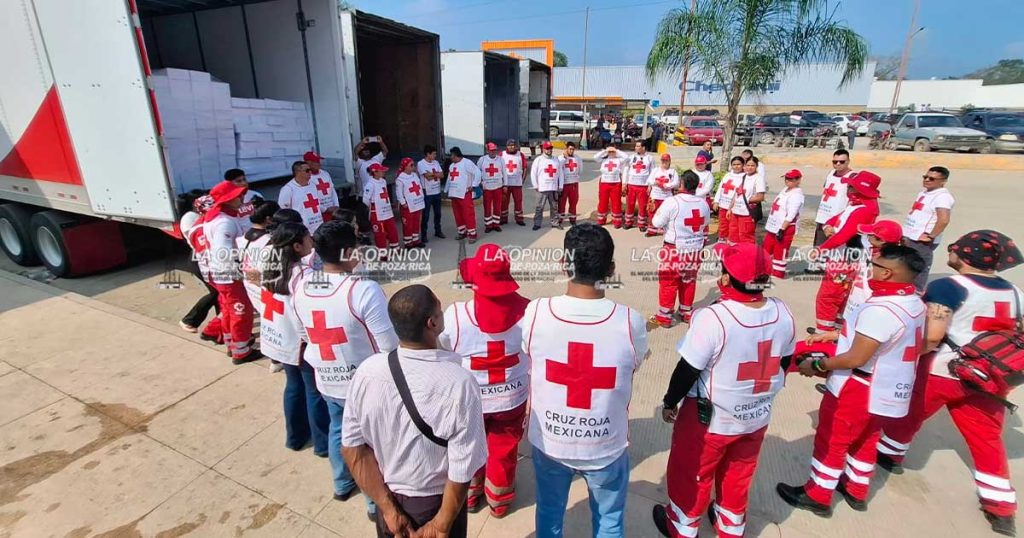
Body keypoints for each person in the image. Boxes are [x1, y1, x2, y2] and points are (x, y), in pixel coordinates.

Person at [876, 231, 1023, 537]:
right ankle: (1001, 507)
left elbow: (932, 336)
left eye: (955, 249)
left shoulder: (948, 287)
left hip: (945, 370)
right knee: (986, 439)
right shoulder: (1016, 292)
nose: (951, 252)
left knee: (910, 413)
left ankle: (890, 454)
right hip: (989, 376)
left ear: (965, 256)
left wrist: (901, 356)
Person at [652, 243, 796, 538]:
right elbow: (784, 361)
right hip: (756, 415)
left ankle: (681, 526)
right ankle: (730, 527)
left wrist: (670, 401)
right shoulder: (783, 312)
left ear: (727, 278)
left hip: (711, 421)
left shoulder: (713, 317)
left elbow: (688, 369)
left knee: (692, 473)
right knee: (738, 473)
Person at [777, 245, 926, 517]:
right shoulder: (914, 301)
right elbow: (883, 338)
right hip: (888, 388)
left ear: (887, 272)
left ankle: (818, 493)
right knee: (866, 439)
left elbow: (856, 357)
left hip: (858, 386)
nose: (869, 268)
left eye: (874, 264)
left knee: (833, 439)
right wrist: (835, 335)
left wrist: (817, 364)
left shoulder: (883, 309)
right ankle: (856, 489)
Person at [521, 223, 649, 537]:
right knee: (609, 522)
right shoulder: (630, 321)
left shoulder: (536, 312)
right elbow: (636, 362)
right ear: (612, 269)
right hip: (605, 444)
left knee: (550, 512)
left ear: (563, 263)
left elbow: (528, 351)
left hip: (551, 440)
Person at [342, 284, 487, 538]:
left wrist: (388, 509)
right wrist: (441, 524)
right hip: (435, 503)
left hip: (385, 496)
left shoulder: (366, 372)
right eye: (441, 312)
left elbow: (353, 449)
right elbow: (462, 467)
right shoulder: (459, 383)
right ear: (432, 323)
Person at [293, 220, 400, 510]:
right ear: (348, 253)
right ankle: (373, 501)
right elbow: (389, 345)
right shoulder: (363, 290)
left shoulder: (302, 285)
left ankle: (341, 482)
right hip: (365, 385)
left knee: (340, 431)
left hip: (327, 378)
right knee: (370, 445)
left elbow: (303, 332)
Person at [439, 244, 530, 518]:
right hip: (513, 398)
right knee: (504, 448)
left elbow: (443, 351)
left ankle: (470, 494)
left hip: (472, 400)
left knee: (470, 447)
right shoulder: (529, 312)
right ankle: (499, 500)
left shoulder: (455, 315)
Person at [260, 221, 331, 456]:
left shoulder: (272, 265)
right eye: (308, 237)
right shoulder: (303, 274)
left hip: (280, 339)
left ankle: (295, 437)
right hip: (300, 343)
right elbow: (307, 313)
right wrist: (312, 343)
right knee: (314, 393)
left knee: (293, 387)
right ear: (298, 246)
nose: (312, 239)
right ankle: (322, 445)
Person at [812, 171, 882, 332]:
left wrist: (821, 249)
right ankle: (835, 327)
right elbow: (836, 218)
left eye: (851, 186)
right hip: (842, 255)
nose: (848, 189)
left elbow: (844, 235)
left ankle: (824, 331)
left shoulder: (864, 209)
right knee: (839, 294)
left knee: (829, 295)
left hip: (845, 259)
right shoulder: (856, 204)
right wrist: (828, 226)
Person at [203, 181, 261, 364]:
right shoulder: (224, 223)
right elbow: (224, 253)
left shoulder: (217, 217)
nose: (242, 197)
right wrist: (243, 272)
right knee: (241, 312)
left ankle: (231, 344)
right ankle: (241, 351)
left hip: (221, 274)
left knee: (228, 310)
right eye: (238, 195)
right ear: (227, 199)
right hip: (229, 275)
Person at [651, 171, 709, 327]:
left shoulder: (672, 201)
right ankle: (685, 311)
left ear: (682, 184)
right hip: (695, 249)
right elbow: (704, 226)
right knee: (689, 280)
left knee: (668, 282)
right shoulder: (703, 203)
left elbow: (656, 223)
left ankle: (664, 316)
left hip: (675, 249)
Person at [902, 166, 955, 291]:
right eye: (925, 177)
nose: (927, 180)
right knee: (907, 266)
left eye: (931, 178)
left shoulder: (942, 197)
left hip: (921, 240)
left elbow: (944, 219)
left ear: (943, 181)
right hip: (911, 235)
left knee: (918, 267)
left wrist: (931, 235)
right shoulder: (925, 192)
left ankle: (916, 292)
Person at [179, 193, 223, 342]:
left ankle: (221, 329)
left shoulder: (201, 219)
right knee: (217, 292)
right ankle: (190, 320)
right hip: (200, 260)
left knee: (220, 294)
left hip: (204, 259)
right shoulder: (192, 220)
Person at [808, 150, 854, 273]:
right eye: (835, 161)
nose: (838, 164)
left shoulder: (852, 176)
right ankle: (817, 266)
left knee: (834, 243)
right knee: (819, 241)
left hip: (837, 216)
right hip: (823, 214)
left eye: (842, 161)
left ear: (848, 161)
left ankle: (832, 268)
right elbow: (827, 189)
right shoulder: (831, 173)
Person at [762, 170, 806, 278]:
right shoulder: (785, 190)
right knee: (767, 247)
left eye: (791, 179)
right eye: (786, 178)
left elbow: (791, 214)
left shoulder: (796, 195)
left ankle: (778, 273)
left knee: (780, 250)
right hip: (773, 226)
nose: (788, 181)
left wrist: (782, 229)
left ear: (798, 180)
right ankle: (765, 268)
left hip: (784, 227)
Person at [726, 156, 766, 244]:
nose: (750, 167)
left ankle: (746, 255)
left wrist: (746, 200)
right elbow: (737, 194)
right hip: (736, 211)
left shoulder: (758, 178)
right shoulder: (744, 176)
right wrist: (730, 208)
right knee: (733, 234)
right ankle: (734, 254)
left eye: (752, 165)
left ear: (756, 166)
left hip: (747, 213)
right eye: (748, 165)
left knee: (745, 236)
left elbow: (760, 197)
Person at [278, 161, 325, 234]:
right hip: (303, 230)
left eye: (310, 170)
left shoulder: (313, 185)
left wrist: (326, 209)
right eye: (307, 170)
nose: (310, 172)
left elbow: (316, 203)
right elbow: (285, 212)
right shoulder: (288, 189)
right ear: (298, 172)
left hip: (319, 226)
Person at [362, 163, 400, 253]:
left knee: (393, 231)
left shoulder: (383, 181)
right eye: (381, 171)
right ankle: (383, 254)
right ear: (375, 172)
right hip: (377, 213)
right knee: (380, 234)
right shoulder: (370, 184)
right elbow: (365, 200)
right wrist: (374, 207)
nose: (383, 172)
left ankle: (395, 248)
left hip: (387, 211)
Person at [447, 147, 481, 243]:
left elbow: (477, 173)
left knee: (468, 214)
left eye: (451, 155)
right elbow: (450, 178)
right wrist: (447, 190)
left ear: (455, 155)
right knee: (458, 215)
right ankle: (462, 232)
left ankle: (472, 234)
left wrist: (474, 185)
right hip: (454, 194)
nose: (450, 157)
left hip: (465, 193)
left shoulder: (467, 163)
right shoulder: (451, 166)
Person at [530, 141, 564, 231]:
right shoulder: (538, 160)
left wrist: (560, 185)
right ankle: (537, 223)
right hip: (542, 188)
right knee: (539, 207)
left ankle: (555, 223)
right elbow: (533, 173)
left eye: (551, 148)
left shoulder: (556, 159)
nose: (550, 150)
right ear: (543, 149)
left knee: (554, 207)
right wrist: (535, 185)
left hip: (553, 188)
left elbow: (560, 173)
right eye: (547, 148)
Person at [474, 142, 507, 233]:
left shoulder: (501, 160)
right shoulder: (482, 159)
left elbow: (504, 173)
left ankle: (496, 224)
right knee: (487, 207)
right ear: (487, 150)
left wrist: (505, 185)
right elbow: (477, 172)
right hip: (487, 187)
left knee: (497, 206)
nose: (493, 152)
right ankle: (488, 225)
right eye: (491, 150)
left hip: (498, 187)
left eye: (495, 150)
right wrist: (479, 182)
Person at [713, 156, 745, 245]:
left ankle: (732, 241)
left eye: (739, 164)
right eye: (734, 164)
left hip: (734, 206)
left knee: (733, 225)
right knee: (723, 223)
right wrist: (716, 201)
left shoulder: (745, 177)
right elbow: (720, 188)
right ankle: (722, 239)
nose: (736, 166)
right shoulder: (728, 175)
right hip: (723, 204)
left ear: (743, 165)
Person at [623, 141, 655, 231]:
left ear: (643, 148)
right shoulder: (631, 157)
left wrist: (650, 185)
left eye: (638, 146)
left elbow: (653, 172)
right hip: (631, 184)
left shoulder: (650, 158)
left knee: (642, 205)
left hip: (643, 185)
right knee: (630, 204)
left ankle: (641, 224)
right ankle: (628, 222)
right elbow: (626, 170)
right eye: (636, 146)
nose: (636, 148)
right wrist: (624, 183)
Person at [646, 153, 680, 237]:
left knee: (666, 214)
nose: (664, 162)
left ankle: (665, 230)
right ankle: (652, 230)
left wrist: (666, 185)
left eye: (666, 160)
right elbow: (649, 180)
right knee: (652, 212)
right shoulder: (655, 170)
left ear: (669, 161)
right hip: (655, 196)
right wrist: (656, 182)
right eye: (663, 160)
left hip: (667, 197)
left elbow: (676, 183)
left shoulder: (673, 171)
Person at [394, 158, 425, 248]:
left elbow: (418, 187)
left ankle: (416, 240)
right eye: (411, 165)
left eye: (413, 165)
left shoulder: (415, 175)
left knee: (416, 223)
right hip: (408, 206)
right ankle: (408, 242)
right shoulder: (400, 178)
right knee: (408, 225)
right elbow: (399, 192)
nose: (413, 167)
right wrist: (403, 203)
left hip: (417, 204)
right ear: (405, 167)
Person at [417, 145, 445, 242]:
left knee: (438, 213)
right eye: (433, 154)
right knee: (426, 215)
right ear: (428, 154)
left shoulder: (436, 162)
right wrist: (435, 174)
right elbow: (426, 177)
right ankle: (424, 235)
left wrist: (432, 174)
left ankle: (438, 231)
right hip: (427, 193)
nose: (435, 156)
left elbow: (442, 175)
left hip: (437, 192)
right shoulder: (421, 164)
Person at [594, 145, 627, 228]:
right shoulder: (603, 159)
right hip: (604, 182)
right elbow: (595, 157)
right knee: (603, 202)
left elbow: (627, 157)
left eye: (612, 151)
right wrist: (605, 150)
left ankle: (617, 221)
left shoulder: (619, 160)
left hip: (616, 183)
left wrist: (617, 150)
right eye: (610, 151)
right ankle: (601, 220)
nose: (611, 153)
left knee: (616, 202)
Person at [500, 139, 529, 226]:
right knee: (504, 202)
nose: (512, 147)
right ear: (507, 146)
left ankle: (519, 218)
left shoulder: (520, 155)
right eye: (510, 145)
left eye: (514, 145)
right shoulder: (502, 154)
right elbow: (498, 168)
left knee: (518, 202)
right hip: (506, 184)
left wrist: (522, 180)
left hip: (517, 184)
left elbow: (525, 168)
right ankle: (503, 219)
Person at [305, 151, 340, 222]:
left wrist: (336, 205)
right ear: (308, 163)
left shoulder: (325, 174)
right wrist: (325, 209)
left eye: (318, 161)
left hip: (332, 210)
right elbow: (309, 198)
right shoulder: (306, 178)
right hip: (318, 213)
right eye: (315, 161)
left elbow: (332, 190)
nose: (318, 163)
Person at [557, 142, 582, 226]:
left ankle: (572, 218)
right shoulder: (560, 158)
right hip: (564, 183)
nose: (571, 151)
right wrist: (565, 158)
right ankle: (560, 218)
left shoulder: (577, 158)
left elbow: (580, 169)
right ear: (566, 149)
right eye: (570, 149)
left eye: (573, 149)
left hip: (574, 183)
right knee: (561, 202)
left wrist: (576, 177)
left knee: (573, 202)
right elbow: (558, 167)